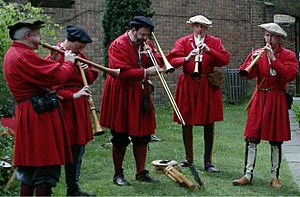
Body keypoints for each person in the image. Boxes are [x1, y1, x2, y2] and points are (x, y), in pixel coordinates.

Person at [3, 18, 76, 196]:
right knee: (45, 169)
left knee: (29, 171)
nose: (40, 38)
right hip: (38, 115)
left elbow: (40, 74)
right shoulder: (24, 55)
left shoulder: (14, 53)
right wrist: (68, 62)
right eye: (37, 34)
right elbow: (55, 78)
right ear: (28, 35)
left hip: (29, 112)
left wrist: (53, 59)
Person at [100, 16, 163, 186]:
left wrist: (154, 55)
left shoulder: (145, 44)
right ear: (133, 30)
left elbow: (158, 62)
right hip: (121, 92)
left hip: (139, 92)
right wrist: (145, 72)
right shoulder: (118, 44)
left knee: (142, 135)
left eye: (147, 35)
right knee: (120, 136)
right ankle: (117, 174)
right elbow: (120, 72)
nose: (145, 38)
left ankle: (141, 172)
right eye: (142, 34)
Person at [233, 23, 298, 188]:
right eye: (267, 35)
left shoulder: (288, 55)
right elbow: (246, 73)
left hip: (276, 98)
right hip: (260, 97)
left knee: (276, 140)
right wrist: (252, 61)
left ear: (279, 38)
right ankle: (247, 174)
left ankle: (275, 177)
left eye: (272, 36)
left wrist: (273, 59)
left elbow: (289, 75)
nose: (269, 39)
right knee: (251, 137)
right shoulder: (258, 53)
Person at [166, 15, 230, 172]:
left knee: (209, 122)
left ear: (207, 28)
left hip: (206, 84)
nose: (199, 29)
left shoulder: (214, 42)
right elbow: (171, 60)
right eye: (196, 26)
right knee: (186, 121)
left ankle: (208, 162)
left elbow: (224, 60)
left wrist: (209, 50)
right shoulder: (183, 41)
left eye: (202, 26)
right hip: (188, 83)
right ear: (192, 26)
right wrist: (188, 57)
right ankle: (188, 159)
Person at [46, 25, 98, 196]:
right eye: (80, 46)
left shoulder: (79, 55)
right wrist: (72, 95)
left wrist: (86, 70)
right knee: (58, 150)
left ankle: (73, 189)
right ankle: (47, 188)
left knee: (78, 149)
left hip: (79, 107)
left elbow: (88, 80)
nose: (82, 49)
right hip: (64, 108)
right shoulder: (55, 55)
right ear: (70, 41)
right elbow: (51, 86)